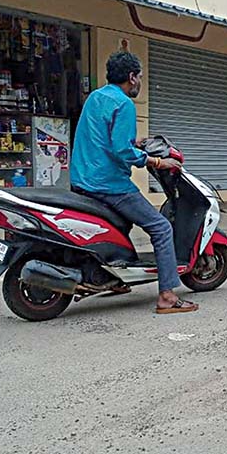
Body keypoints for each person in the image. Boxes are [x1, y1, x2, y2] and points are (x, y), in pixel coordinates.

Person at [70, 51, 197, 314]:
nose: (140, 81)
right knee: (161, 228)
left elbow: (104, 139)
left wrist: (136, 143)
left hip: (82, 180)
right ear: (131, 77)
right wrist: (158, 162)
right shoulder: (124, 104)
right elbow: (121, 152)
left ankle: (108, 277)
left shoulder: (95, 97)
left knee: (120, 223)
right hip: (108, 184)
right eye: (140, 76)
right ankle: (167, 297)